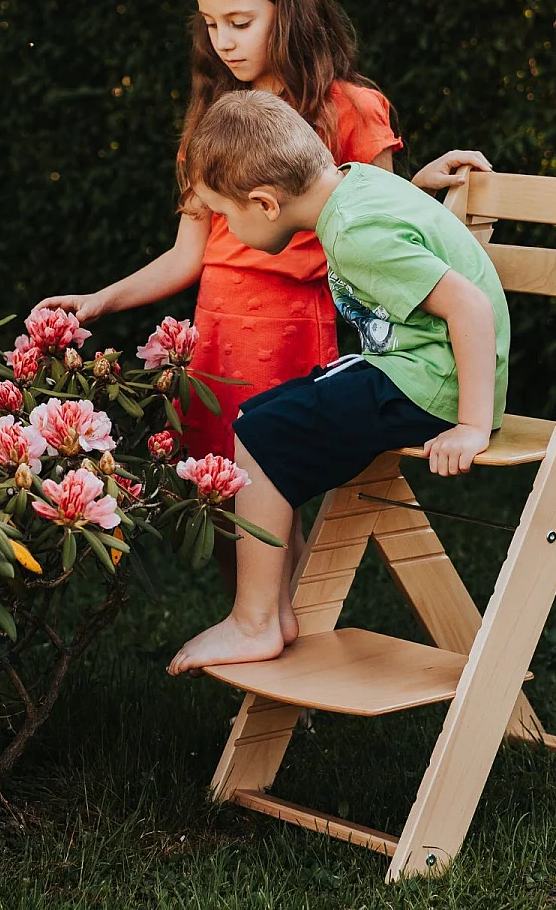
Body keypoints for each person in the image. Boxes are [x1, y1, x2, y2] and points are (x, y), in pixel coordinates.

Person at [34, 0, 490, 598]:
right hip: (216, 332)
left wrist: (420, 184)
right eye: (210, 23)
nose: (223, 41)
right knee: (219, 505)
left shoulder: (347, 108)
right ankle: (260, 646)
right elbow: (189, 254)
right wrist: (102, 297)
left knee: (273, 499)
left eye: (240, 21)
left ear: (292, 7)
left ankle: (289, 664)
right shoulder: (216, 121)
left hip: (290, 330)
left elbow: (372, 208)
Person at [165, 89, 509, 675]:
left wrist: (472, 426)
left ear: (266, 204)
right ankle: (272, 612)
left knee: (262, 432)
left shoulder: (353, 232)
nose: (227, 226)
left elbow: (469, 308)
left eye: (226, 214)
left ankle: (256, 622)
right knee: (265, 419)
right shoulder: (354, 186)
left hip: (433, 385)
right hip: (421, 369)